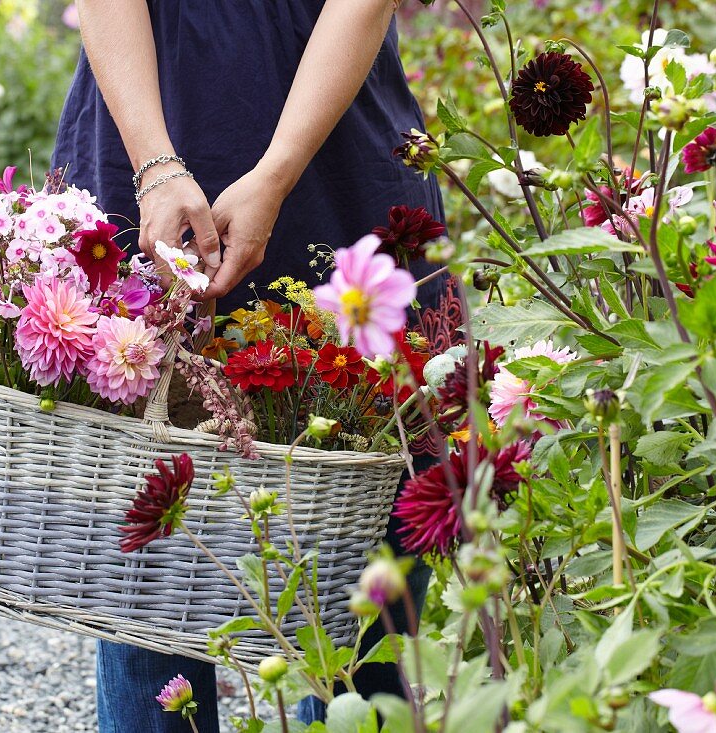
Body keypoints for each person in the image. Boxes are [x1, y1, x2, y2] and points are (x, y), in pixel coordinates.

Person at [49, 2, 453, 730]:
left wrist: (275, 173)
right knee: (149, 554)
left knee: (361, 577)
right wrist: (156, 166)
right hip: (148, 126)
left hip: (331, 150)